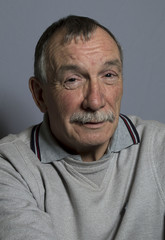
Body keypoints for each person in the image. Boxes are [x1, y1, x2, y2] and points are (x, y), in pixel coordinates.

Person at [0, 15, 164, 240]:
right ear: (40, 95)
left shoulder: (159, 147)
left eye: (108, 75)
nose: (95, 101)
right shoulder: (10, 166)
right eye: (72, 80)